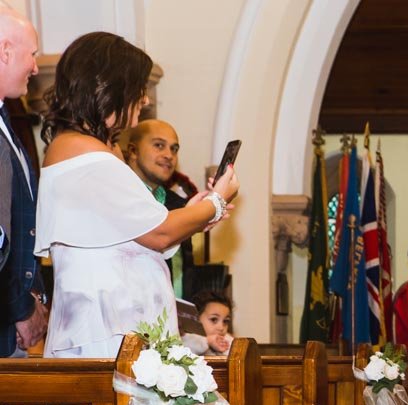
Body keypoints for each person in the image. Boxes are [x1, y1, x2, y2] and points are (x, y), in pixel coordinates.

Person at [36, 32, 238, 358]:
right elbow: (158, 233)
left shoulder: (97, 149)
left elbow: (136, 235)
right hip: (103, 329)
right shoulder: (82, 151)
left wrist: (193, 214)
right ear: (110, 85)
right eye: (138, 88)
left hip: (122, 328)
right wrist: (216, 201)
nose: (144, 100)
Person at [0, 7, 46, 356]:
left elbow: (22, 224)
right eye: (32, 55)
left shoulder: (8, 122)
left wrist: (34, 299)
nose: (35, 67)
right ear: (5, 52)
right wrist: (21, 307)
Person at [124, 119, 195, 297]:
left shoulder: (179, 204)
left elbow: (182, 269)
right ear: (133, 151)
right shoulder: (120, 198)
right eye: (159, 145)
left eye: (174, 149)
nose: (169, 155)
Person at [192, 290, 232, 355]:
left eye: (225, 321)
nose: (221, 328)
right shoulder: (186, 339)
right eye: (213, 319)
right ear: (196, 319)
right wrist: (208, 341)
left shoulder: (228, 341)